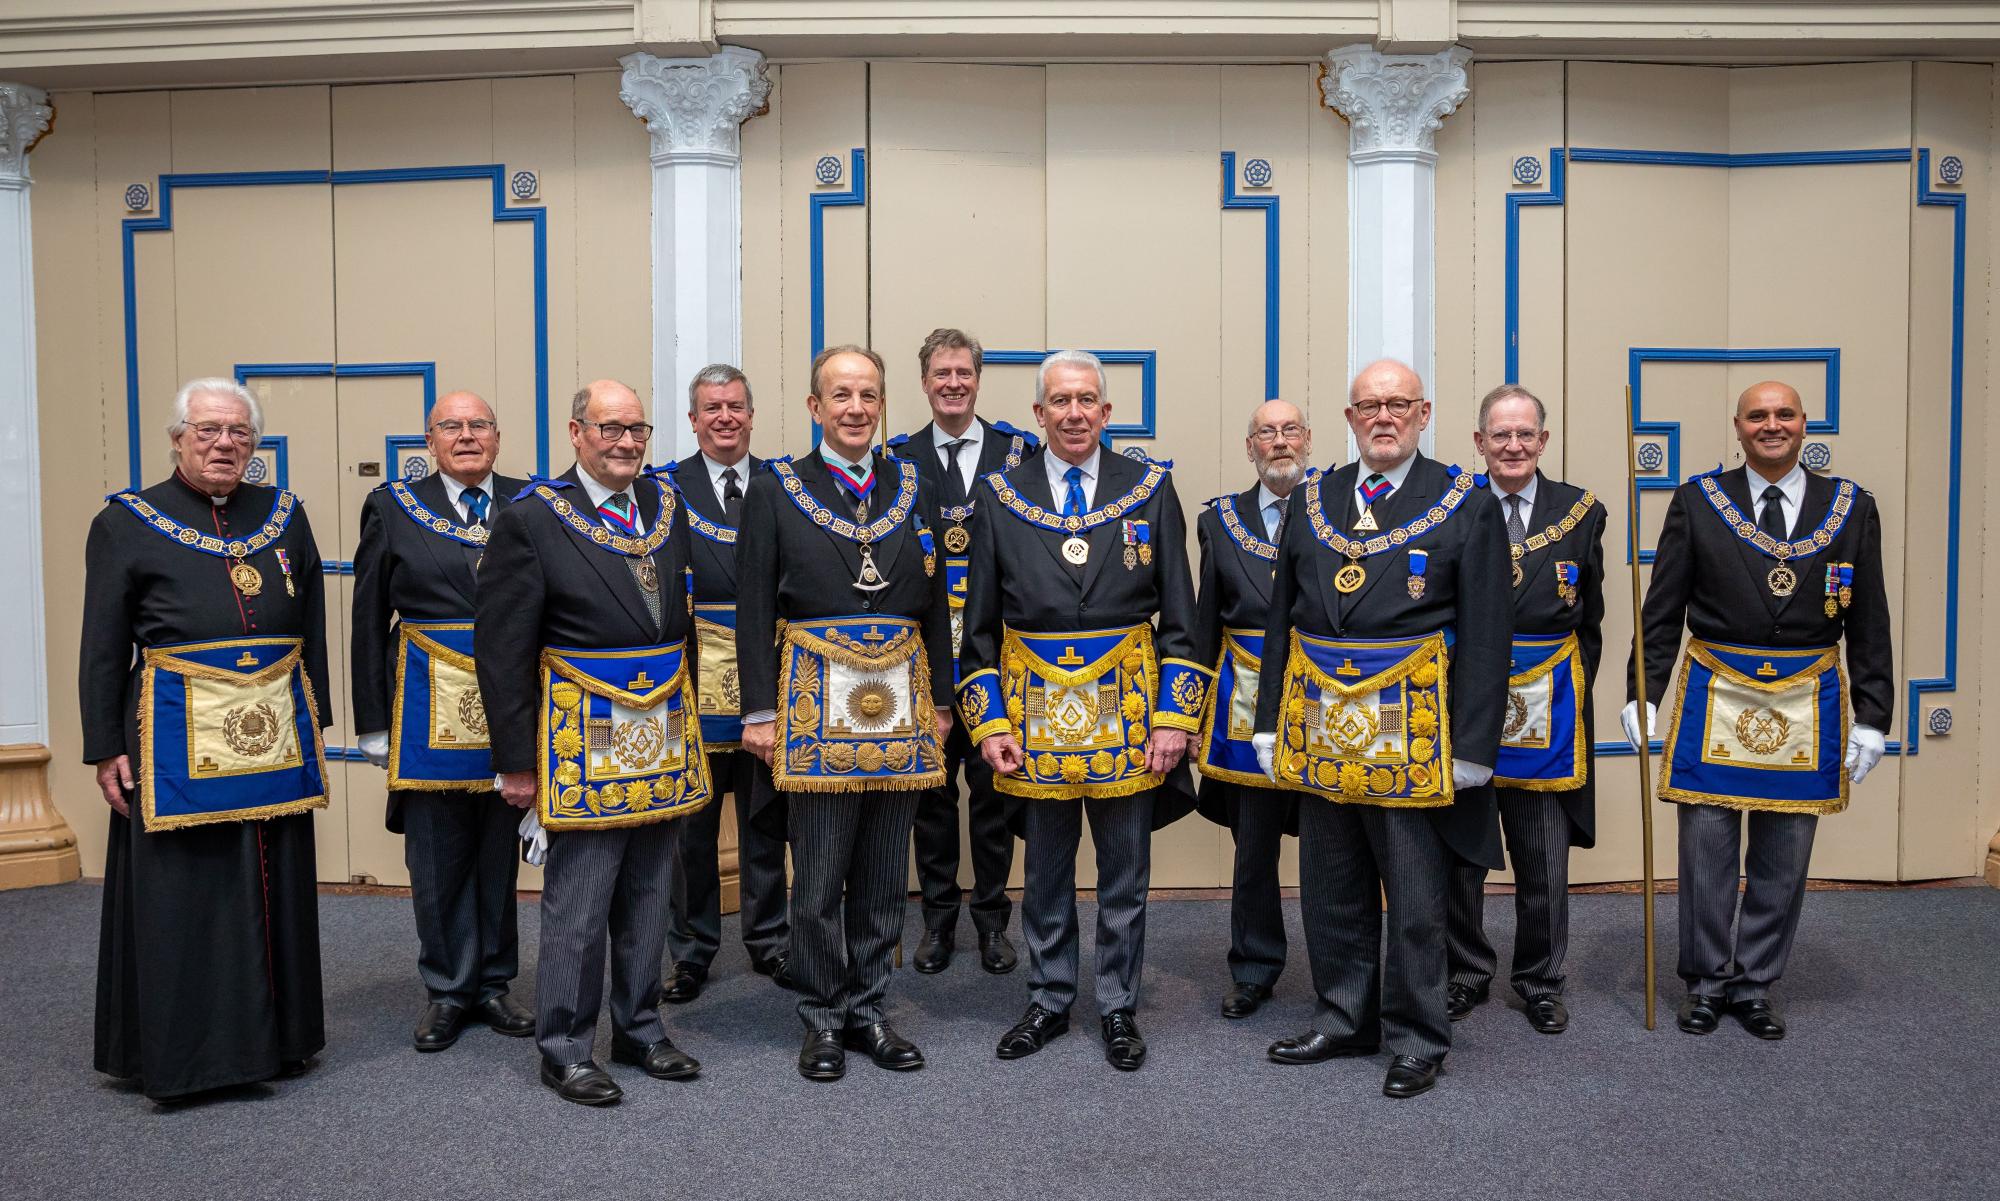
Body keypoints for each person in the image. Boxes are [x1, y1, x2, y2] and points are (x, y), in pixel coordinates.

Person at [1251, 358, 1510, 1099]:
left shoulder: (1465, 501)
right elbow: (1281, 623)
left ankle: (1418, 1034)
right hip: (1321, 728)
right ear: (1350, 417)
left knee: (1418, 896)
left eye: (1399, 403)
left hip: (1416, 735)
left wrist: (1473, 744)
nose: (1384, 416)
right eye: (1369, 405)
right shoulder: (1315, 495)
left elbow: (1490, 631)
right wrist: (1269, 722)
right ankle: (1344, 1013)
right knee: (1331, 885)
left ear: (1424, 414)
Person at [81, 377, 330, 1101]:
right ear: (178, 438)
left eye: (239, 434)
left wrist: (317, 717)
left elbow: (310, 615)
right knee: (186, 892)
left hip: (273, 736)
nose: (225, 444)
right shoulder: (126, 521)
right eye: (208, 431)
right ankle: (190, 1058)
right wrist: (104, 744)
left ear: (254, 444)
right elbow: (102, 642)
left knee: (272, 875)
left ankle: (278, 1042)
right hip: (169, 740)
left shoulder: (283, 513)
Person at [958, 349, 1207, 1072]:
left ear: (1106, 411)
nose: (1074, 413)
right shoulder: (1002, 493)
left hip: (1130, 718)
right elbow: (976, 629)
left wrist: (1174, 717)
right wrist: (991, 723)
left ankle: (1119, 1004)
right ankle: (1049, 996)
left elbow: (1183, 620)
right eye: (1059, 401)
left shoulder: (1150, 487)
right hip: (1033, 720)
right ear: (1039, 415)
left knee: (1126, 874)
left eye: (1087, 400)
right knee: (1046, 875)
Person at [1622, 379, 1890, 1041]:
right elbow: (1662, 612)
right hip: (1718, 688)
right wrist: (1643, 690)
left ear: (1805, 425)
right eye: (1758, 416)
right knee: (1707, 846)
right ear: (1737, 427)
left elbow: (1870, 618)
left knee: (1785, 848)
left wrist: (1876, 713)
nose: (1772, 425)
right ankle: (1708, 983)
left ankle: (1756, 983)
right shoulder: (1698, 502)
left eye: (1785, 414)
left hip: (1809, 694)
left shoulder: (1851, 507)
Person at [476, 379, 711, 1106]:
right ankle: (565, 1046)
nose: (626, 442)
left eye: (636, 428)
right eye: (609, 428)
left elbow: (683, 624)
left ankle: (640, 1028)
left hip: (663, 730)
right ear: (576, 433)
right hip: (581, 736)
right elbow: (503, 646)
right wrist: (517, 761)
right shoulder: (533, 518)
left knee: (648, 889)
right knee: (580, 897)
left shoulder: (667, 508)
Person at [737, 345, 953, 1082]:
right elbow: (754, 604)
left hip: (902, 705)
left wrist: (945, 700)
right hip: (809, 705)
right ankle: (822, 1016)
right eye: (841, 395)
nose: (856, 407)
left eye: (868, 394)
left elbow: (936, 603)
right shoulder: (776, 487)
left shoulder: (909, 484)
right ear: (814, 407)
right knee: (821, 874)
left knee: (887, 871)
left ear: (882, 403)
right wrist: (759, 711)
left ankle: (869, 1006)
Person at [351, 390, 533, 1052]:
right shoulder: (393, 507)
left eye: (478, 424)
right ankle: (447, 988)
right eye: (450, 426)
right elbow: (367, 615)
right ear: (429, 440)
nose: (465, 435)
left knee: (497, 851)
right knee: (435, 853)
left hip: (511, 706)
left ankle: (492, 981)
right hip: (424, 704)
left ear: (498, 435)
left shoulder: (532, 501)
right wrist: (372, 720)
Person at [1444, 384, 1606, 1034]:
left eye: (1525, 434)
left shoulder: (1581, 512)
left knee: (1544, 860)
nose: (1513, 445)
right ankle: (1465, 972)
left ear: (1543, 440)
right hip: (1466, 710)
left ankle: (1540, 979)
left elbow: (1590, 620)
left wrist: (1571, 692)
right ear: (1479, 442)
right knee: (1463, 858)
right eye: (1499, 434)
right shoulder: (1454, 508)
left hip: (1550, 715)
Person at [887, 327, 1040, 976]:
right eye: (941, 373)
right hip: (921, 659)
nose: (953, 382)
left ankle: (992, 921)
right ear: (924, 382)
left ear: (978, 379)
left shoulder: (1017, 452)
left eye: (964, 372)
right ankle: (938, 921)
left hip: (996, 657)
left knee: (993, 796)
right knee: (930, 799)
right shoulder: (897, 458)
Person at [662, 364, 792, 1005]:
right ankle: (691, 952)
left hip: (769, 682)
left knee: (767, 818)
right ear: (693, 420)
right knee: (693, 828)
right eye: (712, 408)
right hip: (689, 684)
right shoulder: (663, 489)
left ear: (751, 414)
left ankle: (770, 940)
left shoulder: (784, 484)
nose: (725, 418)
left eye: (736, 407)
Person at [1191, 399, 1312, 1019]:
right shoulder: (1219, 522)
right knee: (1254, 846)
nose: (1280, 441)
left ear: (1309, 438)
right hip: (1241, 703)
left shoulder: (1341, 509)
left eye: (1291, 429)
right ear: (1250, 447)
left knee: (1329, 844)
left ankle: (1342, 969)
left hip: (1326, 696)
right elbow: (1206, 620)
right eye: (1267, 432)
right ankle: (1255, 967)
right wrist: (1189, 718)